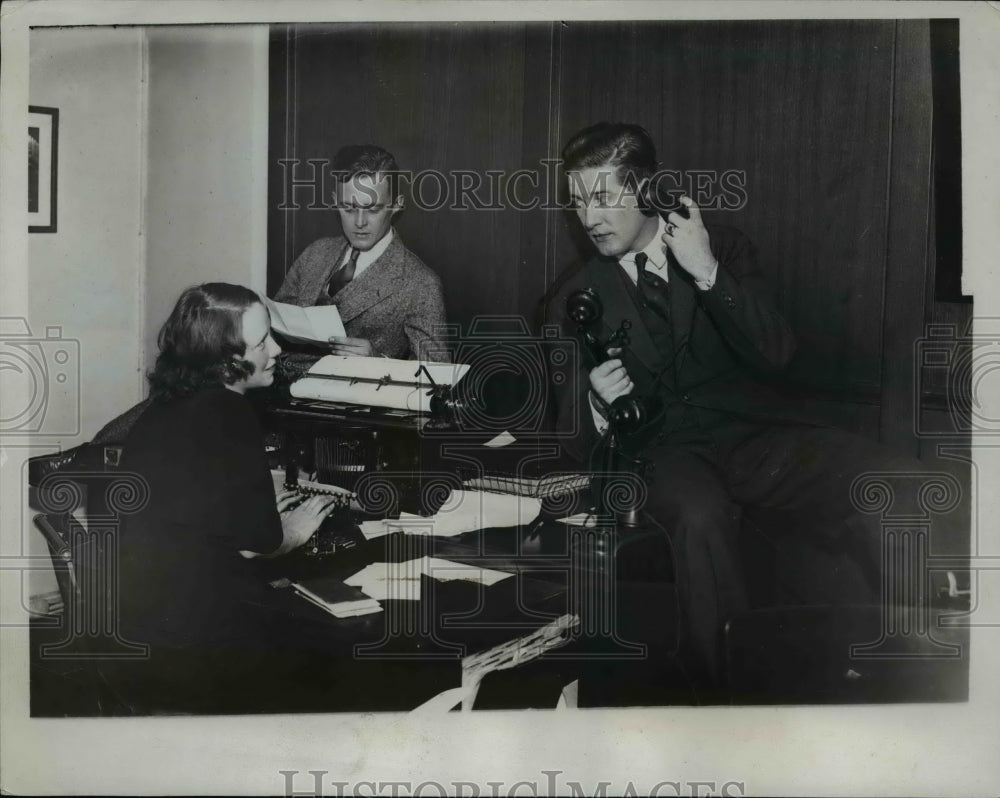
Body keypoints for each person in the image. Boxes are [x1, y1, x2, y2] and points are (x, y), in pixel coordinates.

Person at [545, 122, 938, 687]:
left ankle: (914, 672)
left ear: (648, 190)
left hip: (757, 441)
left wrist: (706, 271)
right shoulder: (574, 296)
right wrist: (596, 403)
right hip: (663, 453)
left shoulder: (722, 248)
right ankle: (725, 691)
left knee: (897, 482)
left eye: (603, 197)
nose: (589, 217)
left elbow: (777, 354)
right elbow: (571, 441)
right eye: (578, 201)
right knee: (700, 516)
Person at [113, 283, 340, 713]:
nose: (275, 350)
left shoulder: (167, 404)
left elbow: (203, 515)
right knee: (332, 661)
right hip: (194, 648)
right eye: (261, 342)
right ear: (225, 360)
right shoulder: (229, 411)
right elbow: (260, 540)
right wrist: (293, 530)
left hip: (143, 631)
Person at [274, 144, 450, 363]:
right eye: (348, 208)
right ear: (334, 202)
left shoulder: (421, 284)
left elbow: (434, 377)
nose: (359, 222)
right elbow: (274, 327)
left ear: (397, 205)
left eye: (373, 209)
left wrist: (377, 362)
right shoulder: (315, 253)